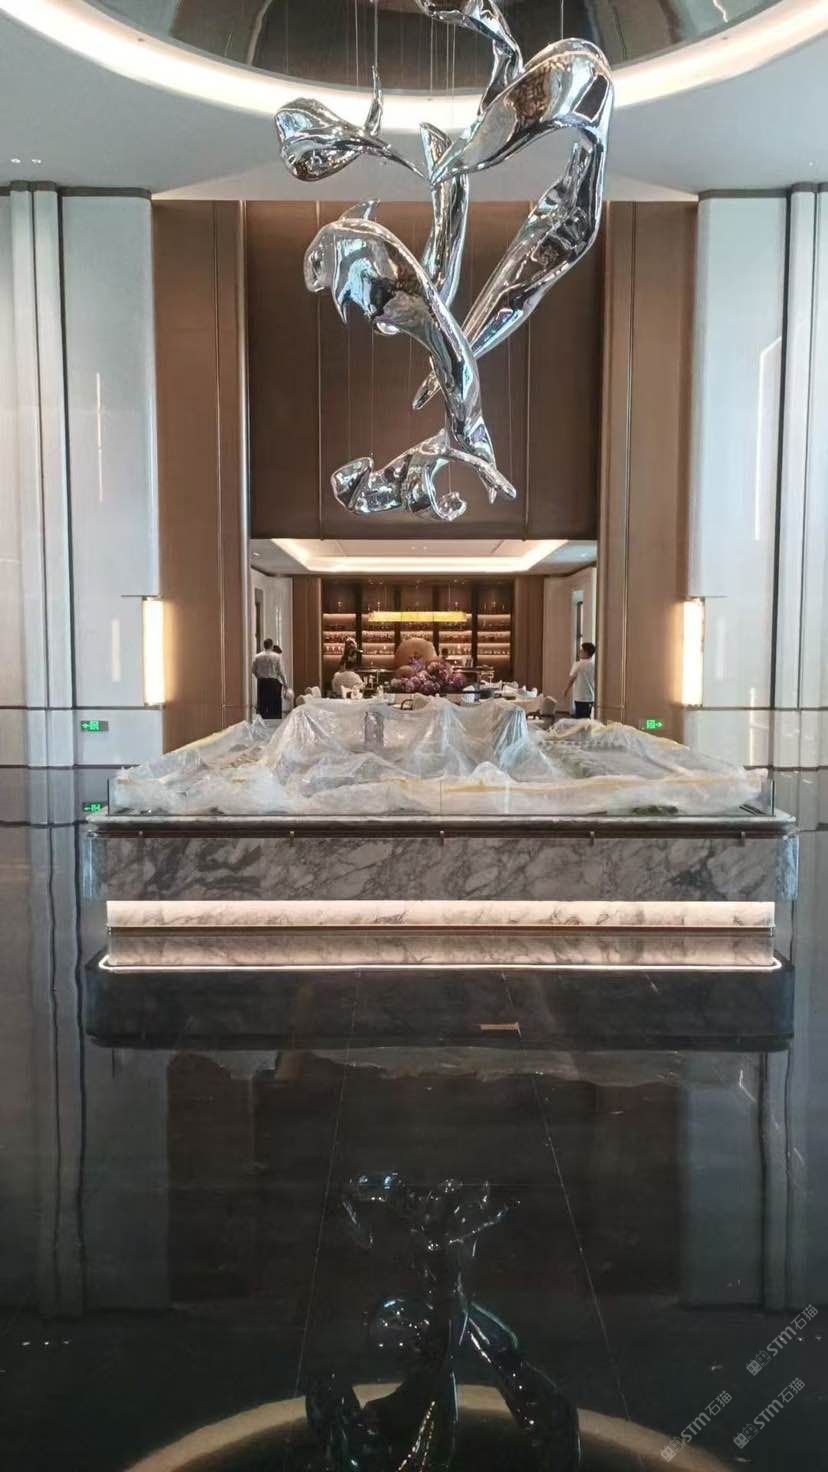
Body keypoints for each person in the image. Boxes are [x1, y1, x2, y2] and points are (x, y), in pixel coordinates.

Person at [252, 638, 287, 720]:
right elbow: (281, 671)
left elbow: (253, 670)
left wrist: (259, 677)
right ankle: (275, 721)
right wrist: (285, 683)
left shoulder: (257, 657)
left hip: (262, 682)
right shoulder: (276, 656)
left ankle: (263, 720)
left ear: (264, 646)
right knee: (274, 704)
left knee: (263, 703)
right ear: (271, 646)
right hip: (273, 682)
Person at [562, 640, 596, 719]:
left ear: (586, 653)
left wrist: (565, 690)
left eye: (581, 650)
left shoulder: (578, 664)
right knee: (587, 718)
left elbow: (571, 679)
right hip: (591, 697)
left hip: (580, 697)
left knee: (580, 719)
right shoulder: (594, 664)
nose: (579, 652)